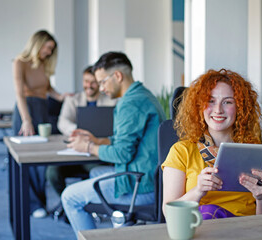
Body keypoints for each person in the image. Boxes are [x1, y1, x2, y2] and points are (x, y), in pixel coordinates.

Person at [61, 51, 166, 236]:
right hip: (149, 178)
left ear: (117, 76)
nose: (101, 88)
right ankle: (120, 226)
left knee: (69, 197)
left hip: (140, 185)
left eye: (102, 81)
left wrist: (87, 148)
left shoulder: (130, 104)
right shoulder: (143, 95)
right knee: (94, 172)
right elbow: (127, 141)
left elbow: (122, 154)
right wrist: (96, 140)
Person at [162, 69, 262, 219]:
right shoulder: (181, 152)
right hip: (201, 230)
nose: (218, 110)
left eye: (228, 102)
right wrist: (198, 190)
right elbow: (168, 212)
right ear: (199, 106)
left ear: (240, 108)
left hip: (244, 232)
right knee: (208, 211)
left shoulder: (258, 157)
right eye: (210, 101)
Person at [12, 30, 70, 218]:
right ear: (38, 44)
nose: (49, 52)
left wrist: (61, 97)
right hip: (25, 111)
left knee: (42, 159)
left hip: (42, 109)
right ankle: (32, 204)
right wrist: (26, 120)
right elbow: (19, 93)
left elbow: (47, 88)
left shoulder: (43, 63)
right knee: (29, 157)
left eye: (51, 49)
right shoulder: (19, 62)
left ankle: (40, 202)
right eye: (47, 47)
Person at [46, 66, 116, 197]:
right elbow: (63, 122)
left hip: (96, 154)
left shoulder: (111, 101)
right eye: (86, 81)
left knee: (97, 173)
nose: (89, 85)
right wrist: (80, 131)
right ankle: (67, 204)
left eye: (93, 82)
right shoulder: (73, 99)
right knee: (52, 172)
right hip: (73, 152)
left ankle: (87, 203)